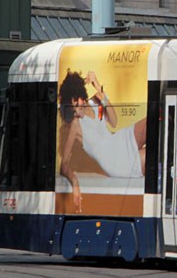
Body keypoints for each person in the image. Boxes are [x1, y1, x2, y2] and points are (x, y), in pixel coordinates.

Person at [59, 69, 147, 212]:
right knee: (153, 156)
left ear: (80, 94)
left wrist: (99, 89)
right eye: (73, 110)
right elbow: (64, 166)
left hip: (121, 140)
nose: (77, 112)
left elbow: (114, 121)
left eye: (76, 105)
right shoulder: (76, 125)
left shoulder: (96, 103)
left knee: (155, 120)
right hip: (117, 161)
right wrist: (75, 183)